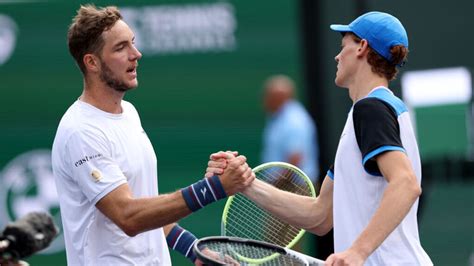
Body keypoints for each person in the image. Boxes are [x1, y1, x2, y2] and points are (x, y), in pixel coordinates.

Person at [208, 11, 433, 265]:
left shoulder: (371, 108)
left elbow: (406, 183)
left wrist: (357, 251)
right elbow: (320, 215)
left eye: (343, 46)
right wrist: (245, 183)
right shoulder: (374, 111)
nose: (337, 56)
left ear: (362, 47)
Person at [51, 5, 254, 265]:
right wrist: (214, 188)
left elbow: (145, 208)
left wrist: (195, 250)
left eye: (133, 43)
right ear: (91, 62)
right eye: (120, 47)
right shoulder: (81, 132)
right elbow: (129, 216)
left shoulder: (129, 113)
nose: (136, 54)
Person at [261, 75, 319, 183]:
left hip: (293, 187)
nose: (265, 100)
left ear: (278, 98)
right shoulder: (277, 117)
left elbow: (296, 159)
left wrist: (276, 184)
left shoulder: (294, 121)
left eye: (268, 96)